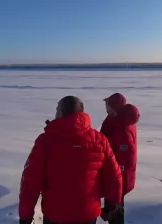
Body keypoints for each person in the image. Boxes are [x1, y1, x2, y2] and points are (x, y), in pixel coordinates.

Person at [18, 95, 124, 224]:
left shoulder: (46, 140)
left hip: (56, 215)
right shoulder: (100, 140)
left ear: (62, 112)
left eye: (57, 110)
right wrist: (111, 205)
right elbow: (114, 176)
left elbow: (30, 181)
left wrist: (25, 216)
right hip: (87, 214)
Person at [99, 93, 139, 224]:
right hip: (113, 176)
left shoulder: (123, 129)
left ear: (114, 108)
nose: (105, 107)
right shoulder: (115, 119)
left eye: (108, 104)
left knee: (115, 209)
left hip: (118, 179)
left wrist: (115, 174)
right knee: (114, 208)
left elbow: (127, 160)